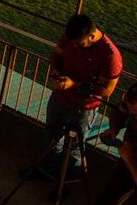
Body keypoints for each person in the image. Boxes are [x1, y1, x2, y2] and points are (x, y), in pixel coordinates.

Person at [35, 14, 123, 180]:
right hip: (60, 98)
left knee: (76, 149)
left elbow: (107, 90)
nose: (75, 45)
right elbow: (57, 55)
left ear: (91, 35)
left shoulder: (110, 56)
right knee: (51, 137)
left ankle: (66, 183)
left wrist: (74, 84)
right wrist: (55, 71)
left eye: (79, 43)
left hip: (84, 108)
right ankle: (48, 173)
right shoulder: (70, 37)